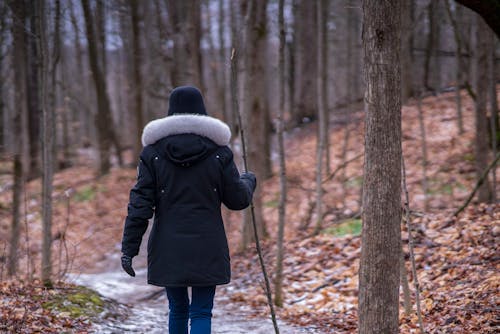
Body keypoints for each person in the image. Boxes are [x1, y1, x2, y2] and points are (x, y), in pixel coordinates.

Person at [121, 86, 256, 334]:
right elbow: (237, 200)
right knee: (202, 311)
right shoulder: (219, 152)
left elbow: (139, 205)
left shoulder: (152, 154)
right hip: (208, 243)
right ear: (202, 111)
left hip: (167, 245)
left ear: (170, 112)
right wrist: (249, 181)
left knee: (178, 309)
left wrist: (129, 249)